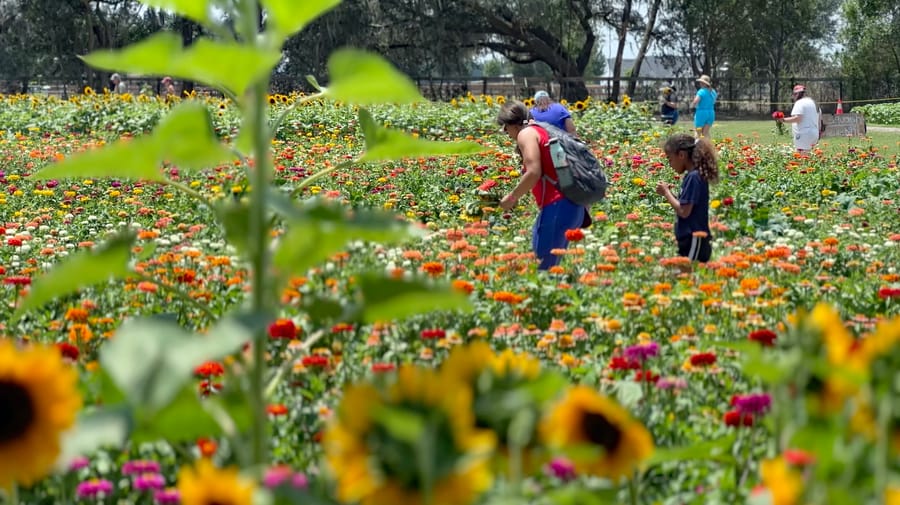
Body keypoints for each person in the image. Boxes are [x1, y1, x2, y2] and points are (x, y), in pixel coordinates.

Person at [497, 100, 588, 270]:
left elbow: (533, 172)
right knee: (550, 270)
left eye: (505, 128)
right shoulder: (542, 129)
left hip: (557, 206)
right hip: (571, 206)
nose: (507, 134)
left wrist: (512, 197)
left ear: (512, 124)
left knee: (544, 272)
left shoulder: (526, 134)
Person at [655, 133, 719, 265]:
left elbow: (684, 211)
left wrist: (667, 193)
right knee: (684, 279)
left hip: (695, 239)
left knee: (687, 279)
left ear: (681, 155)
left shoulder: (694, 177)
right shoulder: (692, 175)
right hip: (690, 240)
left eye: (670, 159)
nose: (670, 164)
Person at [777, 84, 819, 152]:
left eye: (794, 94)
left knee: (801, 157)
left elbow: (798, 118)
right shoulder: (812, 102)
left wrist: (783, 120)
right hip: (814, 133)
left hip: (804, 134)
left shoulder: (799, 103)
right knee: (809, 156)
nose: (793, 96)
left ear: (797, 94)